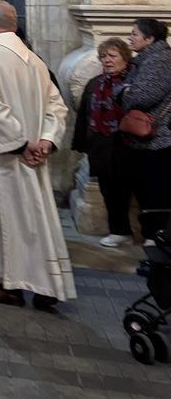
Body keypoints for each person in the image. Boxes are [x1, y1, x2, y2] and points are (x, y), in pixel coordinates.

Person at [0, 0, 75, 311]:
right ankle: (44, 282)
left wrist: (20, 144)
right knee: (32, 221)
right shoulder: (35, 61)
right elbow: (57, 106)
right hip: (30, 156)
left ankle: (3, 284)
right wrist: (45, 142)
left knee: (0, 222)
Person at [71, 38, 134, 247]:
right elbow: (84, 116)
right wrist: (82, 144)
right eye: (103, 56)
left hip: (126, 145)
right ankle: (119, 230)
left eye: (112, 56)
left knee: (128, 189)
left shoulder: (133, 83)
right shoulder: (95, 83)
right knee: (108, 190)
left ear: (125, 58)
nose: (107, 60)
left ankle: (147, 234)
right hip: (100, 145)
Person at [121, 18, 171, 245]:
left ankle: (156, 239)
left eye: (134, 34)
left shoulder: (159, 60)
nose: (130, 37)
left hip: (157, 139)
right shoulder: (147, 59)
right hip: (146, 140)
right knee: (146, 190)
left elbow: (142, 96)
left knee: (155, 192)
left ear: (150, 39)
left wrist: (124, 93)